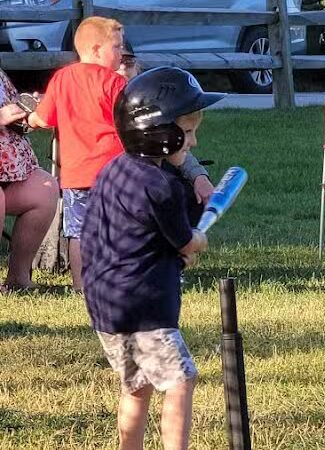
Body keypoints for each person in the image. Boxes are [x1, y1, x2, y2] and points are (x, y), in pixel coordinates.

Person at [82, 66, 223, 450]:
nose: (193, 142)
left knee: (137, 386)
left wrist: (173, 255)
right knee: (181, 380)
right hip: (144, 306)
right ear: (159, 134)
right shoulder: (162, 186)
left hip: (105, 303)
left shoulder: (113, 171)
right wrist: (198, 241)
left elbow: (138, 236)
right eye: (187, 132)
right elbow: (186, 243)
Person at [27, 16, 215, 291]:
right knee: (121, 228)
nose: (121, 54)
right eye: (116, 47)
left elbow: (43, 118)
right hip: (116, 171)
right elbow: (133, 121)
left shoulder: (62, 79)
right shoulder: (114, 83)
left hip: (75, 174)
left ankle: (81, 284)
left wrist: (29, 117)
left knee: (79, 232)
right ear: (95, 49)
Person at [0, 5, 59, 293]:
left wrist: (29, 113)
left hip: (12, 167)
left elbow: (13, 112)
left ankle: (19, 277)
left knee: (46, 188)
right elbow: (0, 116)